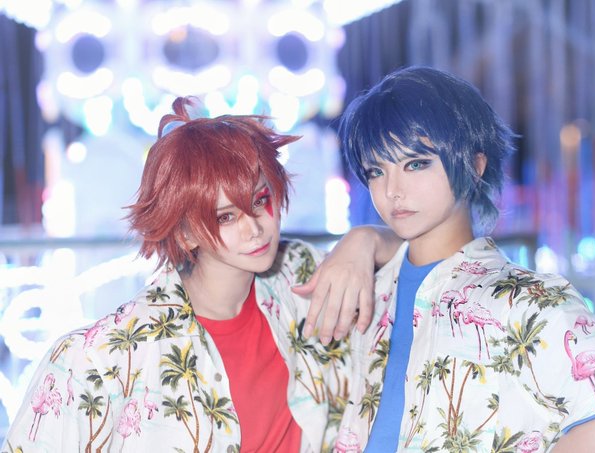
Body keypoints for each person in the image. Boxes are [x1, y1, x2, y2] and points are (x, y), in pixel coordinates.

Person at [1, 97, 401, 453]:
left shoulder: (299, 274)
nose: (254, 228)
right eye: (225, 217)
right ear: (185, 232)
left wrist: (364, 240)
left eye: (260, 200)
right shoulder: (104, 356)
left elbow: (423, 262)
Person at [334, 66, 595, 452]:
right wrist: (364, 239)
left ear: (474, 166)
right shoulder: (365, 287)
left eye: (416, 164)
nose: (392, 190)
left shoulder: (521, 298)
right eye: (376, 171)